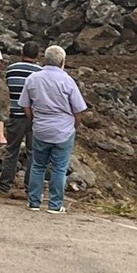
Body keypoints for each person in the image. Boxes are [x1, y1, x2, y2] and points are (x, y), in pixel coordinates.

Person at [18, 45, 87, 213]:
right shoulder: (67, 81)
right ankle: (55, 204)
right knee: (59, 168)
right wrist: (74, 126)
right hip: (63, 130)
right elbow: (78, 109)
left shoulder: (33, 79)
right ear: (62, 61)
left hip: (41, 128)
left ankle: (34, 201)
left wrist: (34, 120)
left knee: (37, 165)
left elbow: (25, 105)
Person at [0, 42, 43, 195]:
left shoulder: (11, 69)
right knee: (32, 152)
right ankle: (29, 186)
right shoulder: (39, 72)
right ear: (37, 56)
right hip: (34, 117)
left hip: (15, 115)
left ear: (22, 53)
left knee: (11, 150)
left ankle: (5, 185)